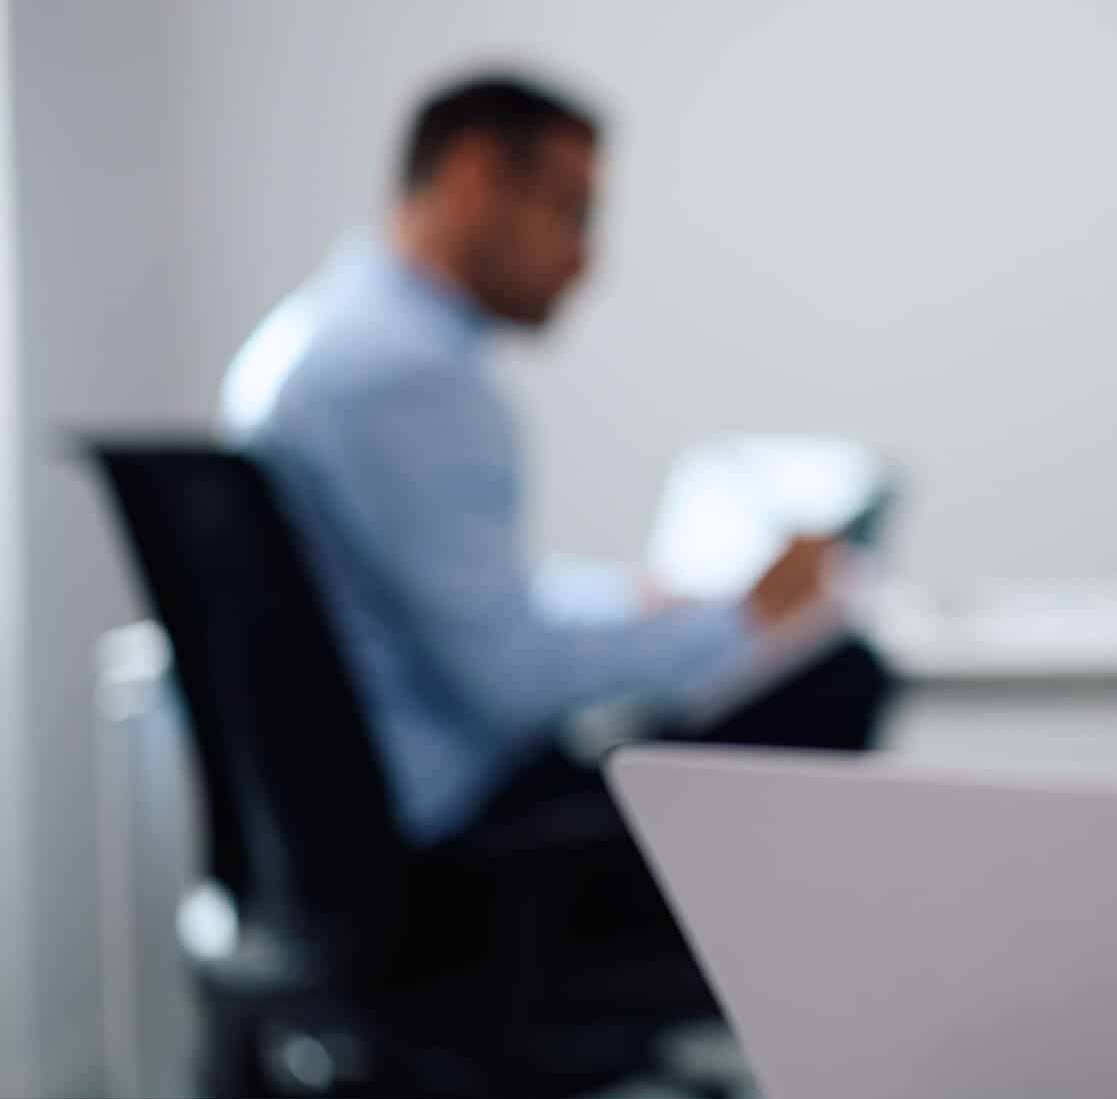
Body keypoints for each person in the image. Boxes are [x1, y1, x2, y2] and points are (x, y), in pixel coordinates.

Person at [222, 73, 893, 1001]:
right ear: (473, 176)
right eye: (569, 210)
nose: (584, 258)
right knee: (839, 673)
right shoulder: (407, 373)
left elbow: (444, 597)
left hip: (348, 840)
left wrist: (636, 599)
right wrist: (744, 619)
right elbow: (512, 683)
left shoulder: (323, 338)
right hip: (457, 859)